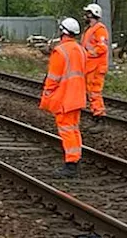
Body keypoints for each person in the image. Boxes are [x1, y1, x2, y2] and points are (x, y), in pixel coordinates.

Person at [41, 17, 87, 177]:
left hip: (64, 98)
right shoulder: (80, 49)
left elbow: (53, 78)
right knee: (74, 129)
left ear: (63, 32)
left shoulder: (60, 51)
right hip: (78, 96)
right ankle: (75, 158)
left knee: (66, 130)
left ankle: (71, 165)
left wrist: (47, 95)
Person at [81, 2, 110, 131]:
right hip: (91, 67)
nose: (85, 16)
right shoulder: (91, 30)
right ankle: (96, 117)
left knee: (94, 93)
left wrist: (87, 54)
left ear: (92, 14)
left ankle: (100, 118)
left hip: (97, 68)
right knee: (91, 93)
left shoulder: (100, 29)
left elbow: (102, 47)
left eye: (87, 13)